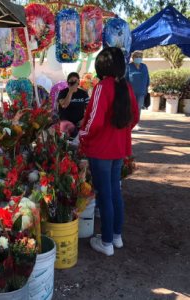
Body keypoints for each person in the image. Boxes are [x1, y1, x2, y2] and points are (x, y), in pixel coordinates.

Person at [79, 47, 139, 256]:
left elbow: (93, 121)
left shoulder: (102, 87)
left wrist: (82, 136)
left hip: (101, 150)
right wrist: (120, 134)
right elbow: (135, 117)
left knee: (104, 195)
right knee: (115, 193)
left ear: (102, 65)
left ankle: (106, 243)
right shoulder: (127, 87)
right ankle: (116, 237)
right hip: (118, 150)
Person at [57, 72, 90, 136]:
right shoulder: (62, 92)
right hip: (65, 125)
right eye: (71, 81)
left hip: (79, 125)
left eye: (75, 81)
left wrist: (84, 119)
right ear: (67, 82)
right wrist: (70, 91)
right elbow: (64, 105)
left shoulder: (83, 93)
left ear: (78, 82)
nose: (74, 83)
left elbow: (89, 108)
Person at [126, 50, 150, 130]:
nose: (138, 58)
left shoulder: (144, 66)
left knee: (138, 108)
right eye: (137, 57)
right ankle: (129, 124)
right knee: (130, 108)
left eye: (140, 57)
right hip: (130, 92)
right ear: (133, 58)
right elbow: (125, 79)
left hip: (142, 92)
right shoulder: (129, 67)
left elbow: (147, 78)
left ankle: (136, 124)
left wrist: (147, 88)